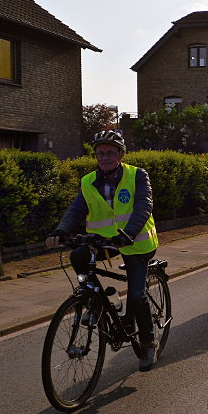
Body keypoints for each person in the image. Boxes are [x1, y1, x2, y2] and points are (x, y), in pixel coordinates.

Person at [45, 130, 160, 372]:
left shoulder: (137, 175)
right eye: (100, 153)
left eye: (110, 153)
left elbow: (143, 205)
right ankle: (97, 302)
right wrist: (60, 232)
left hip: (136, 242)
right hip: (106, 242)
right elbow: (76, 210)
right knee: (78, 255)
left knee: (137, 295)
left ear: (121, 154)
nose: (105, 157)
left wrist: (128, 233)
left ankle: (149, 342)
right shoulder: (88, 181)